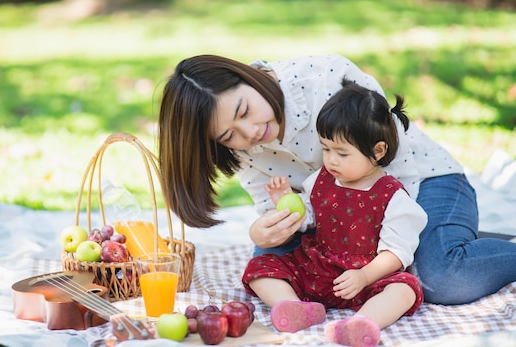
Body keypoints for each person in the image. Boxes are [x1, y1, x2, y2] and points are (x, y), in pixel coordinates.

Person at [157, 53, 516, 306]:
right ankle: (450, 237)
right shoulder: (243, 147)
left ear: (247, 76)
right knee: (269, 268)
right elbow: (276, 206)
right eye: (228, 136)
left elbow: (393, 162)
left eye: (244, 111)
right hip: (336, 215)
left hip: (420, 185)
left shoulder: (324, 77)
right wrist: (266, 229)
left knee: (440, 277)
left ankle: (450, 239)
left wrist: (373, 257)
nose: (250, 133)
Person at [240, 79, 426, 347]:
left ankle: (361, 323)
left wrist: (364, 276)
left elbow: (396, 252)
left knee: (404, 289)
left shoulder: (393, 196)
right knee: (261, 267)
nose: (331, 159)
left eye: (342, 152)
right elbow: (310, 215)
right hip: (317, 267)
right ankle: (294, 307)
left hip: (364, 278)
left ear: (377, 151)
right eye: (326, 148)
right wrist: (287, 201)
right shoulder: (322, 179)